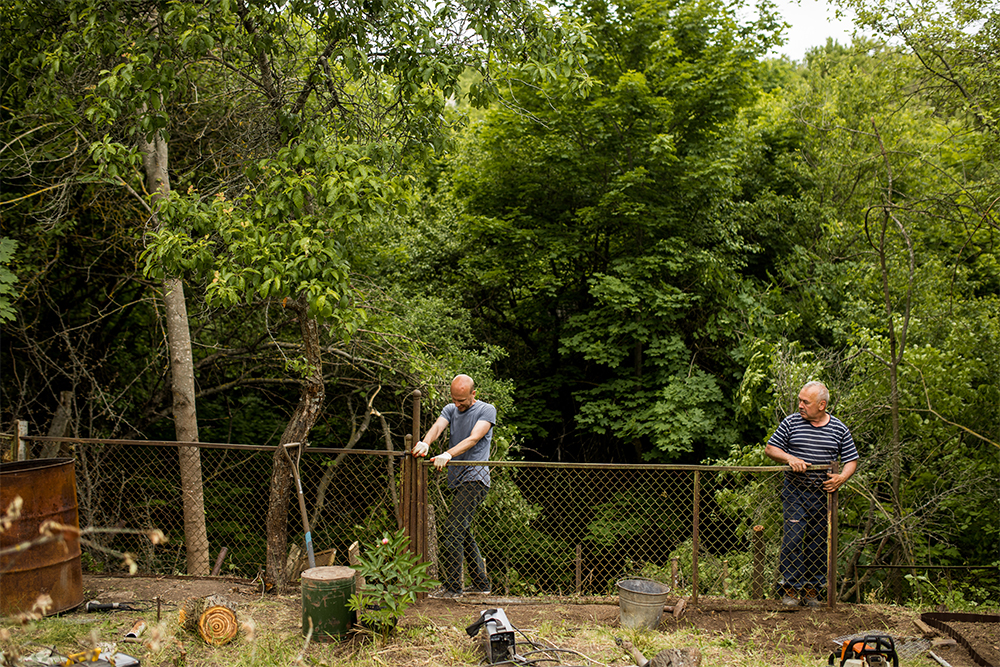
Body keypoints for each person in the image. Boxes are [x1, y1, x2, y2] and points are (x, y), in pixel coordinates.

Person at [765, 380, 859, 608]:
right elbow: (770, 448)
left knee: (818, 543)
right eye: (799, 400)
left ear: (822, 405)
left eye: (805, 402)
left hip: (823, 495)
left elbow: (851, 459)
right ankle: (791, 589)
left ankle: (812, 591)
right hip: (795, 492)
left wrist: (841, 478)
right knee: (793, 538)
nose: (800, 405)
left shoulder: (838, 428)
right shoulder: (791, 423)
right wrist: (790, 458)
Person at [411, 374, 496, 598]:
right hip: (458, 479)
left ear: (473, 394)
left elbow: (473, 438)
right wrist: (425, 443)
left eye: (462, 401)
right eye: (454, 399)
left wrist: (448, 454)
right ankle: (481, 584)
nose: (458, 404)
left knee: (451, 530)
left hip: (476, 478)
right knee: (463, 530)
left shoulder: (487, 410)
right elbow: (438, 427)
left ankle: (453, 588)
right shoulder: (450, 409)